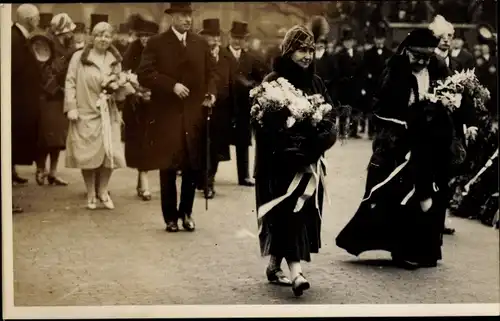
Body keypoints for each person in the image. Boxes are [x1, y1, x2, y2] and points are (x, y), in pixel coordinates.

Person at [336, 28, 458, 270]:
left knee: (430, 194)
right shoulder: (395, 70)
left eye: (426, 57)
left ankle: (426, 251)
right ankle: (401, 251)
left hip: (430, 141)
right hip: (398, 142)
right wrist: (406, 121)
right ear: (407, 51)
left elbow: (449, 95)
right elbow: (380, 108)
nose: (422, 62)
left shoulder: (437, 66)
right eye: (417, 57)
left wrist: (444, 107)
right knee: (400, 194)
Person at [254, 24, 337, 297]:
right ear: (289, 51)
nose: (307, 56)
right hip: (280, 165)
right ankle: (297, 273)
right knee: (289, 214)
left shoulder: (316, 82)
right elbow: (264, 126)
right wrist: (289, 148)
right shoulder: (274, 81)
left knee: (299, 216)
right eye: (302, 49)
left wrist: (318, 141)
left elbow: (329, 117)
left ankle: (275, 264)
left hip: (309, 163)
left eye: (311, 50)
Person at [137, 2, 217, 233]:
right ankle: (170, 217)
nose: (187, 20)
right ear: (172, 17)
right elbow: (145, 74)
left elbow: (212, 72)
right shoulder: (156, 43)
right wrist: (171, 85)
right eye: (182, 16)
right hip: (167, 116)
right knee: (169, 167)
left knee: (192, 166)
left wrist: (210, 92)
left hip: (193, 115)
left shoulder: (199, 43)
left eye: (189, 16)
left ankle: (187, 213)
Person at [64, 22, 126, 210]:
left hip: (109, 112)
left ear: (111, 38)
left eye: (107, 36)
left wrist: (120, 87)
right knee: (87, 154)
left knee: (110, 153)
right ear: (92, 36)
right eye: (99, 35)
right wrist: (71, 107)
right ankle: (91, 192)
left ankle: (103, 191)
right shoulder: (79, 57)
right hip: (86, 111)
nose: (103, 39)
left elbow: (120, 87)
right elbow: (70, 82)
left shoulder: (114, 59)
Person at [35, 13, 77, 187]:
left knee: (58, 138)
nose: (71, 34)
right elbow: (45, 71)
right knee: (44, 137)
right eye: (68, 31)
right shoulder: (45, 43)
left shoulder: (66, 44)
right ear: (61, 30)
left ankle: (53, 172)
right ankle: (40, 169)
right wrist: (68, 57)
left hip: (61, 96)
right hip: (47, 96)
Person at [122, 15, 159, 201]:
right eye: (142, 35)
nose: (145, 39)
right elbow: (124, 74)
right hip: (136, 105)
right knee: (140, 142)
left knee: (150, 143)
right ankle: (144, 182)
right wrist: (135, 91)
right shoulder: (132, 50)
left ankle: (142, 180)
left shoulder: (160, 51)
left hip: (154, 104)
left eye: (149, 36)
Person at [11, 4, 42, 213]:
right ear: (30, 19)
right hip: (16, 107)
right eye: (37, 18)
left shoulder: (20, 38)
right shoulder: (15, 40)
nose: (38, 22)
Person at [198, 18, 233, 199]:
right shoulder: (197, 54)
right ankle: (203, 179)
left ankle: (209, 180)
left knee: (216, 146)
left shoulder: (226, 56)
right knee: (201, 145)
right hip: (200, 107)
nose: (213, 39)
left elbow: (231, 80)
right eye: (209, 35)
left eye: (215, 35)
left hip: (221, 108)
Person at [227, 21, 263, 187]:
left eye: (240, 38)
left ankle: (244, 176)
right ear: (229, 37)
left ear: (245, 40)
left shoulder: (250, 58)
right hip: (224, 105)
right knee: (216, 141)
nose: (237, 41)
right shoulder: (221, 55)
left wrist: (252, 85)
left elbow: (261, 78)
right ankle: (207, 179)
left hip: (242, 106)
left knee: (243, 141)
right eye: (234, 37)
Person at [359, 21, 393, 139]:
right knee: (371, 109)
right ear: (374, 40)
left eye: (381, 39)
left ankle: (382, 132)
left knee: (383, 109)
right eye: (377, 39)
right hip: (371, 86)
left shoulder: (390, 54)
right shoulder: (368, 54)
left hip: (384, 86)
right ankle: (371, 132)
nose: (379, 41)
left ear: (384, 39)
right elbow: (363, 70)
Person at [335, 25, 363, 139]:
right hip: (344, 85)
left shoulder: (358, 54)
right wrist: (341, 81)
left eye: (350, 41)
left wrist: (360, 84)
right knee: (343, 109)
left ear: (353, 42)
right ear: (343, 42)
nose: (348, 43)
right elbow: (336, 71)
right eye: (346, 41)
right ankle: (342, 131)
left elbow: (361, 70)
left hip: (355, 85)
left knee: (355, 109)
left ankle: (353, 131)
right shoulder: (339, 55)